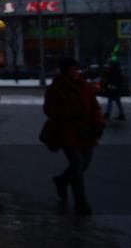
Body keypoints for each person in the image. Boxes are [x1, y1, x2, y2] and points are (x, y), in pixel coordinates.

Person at [43, 58, 105, 215]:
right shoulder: (55, 88)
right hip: (68, 132)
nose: (75, 72)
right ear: (64, 70)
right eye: (72, 69)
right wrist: (69, 115)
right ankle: (80, 202)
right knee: (77, 164)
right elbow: (49, 110)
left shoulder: (85, 86)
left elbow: (95, 107)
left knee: (84, 164)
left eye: (76, 69)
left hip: (87, 132)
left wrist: (98, 124)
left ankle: (62, 181)